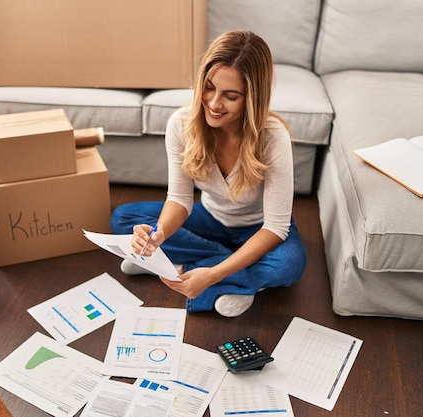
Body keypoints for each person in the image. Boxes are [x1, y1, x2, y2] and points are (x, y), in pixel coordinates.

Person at [110, 30, 307, 317]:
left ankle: (183, 268)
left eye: (231, 96)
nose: (214, 104)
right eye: (209, 87)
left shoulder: (273, 137)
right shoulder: (181, 124)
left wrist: (212, 274)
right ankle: (234, 278)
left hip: (260, 227)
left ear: (252, 98)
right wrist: (159, 235)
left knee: (290, 263)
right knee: (123, 219)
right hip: (210, 218)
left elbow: (276, 228)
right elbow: (179, 199)